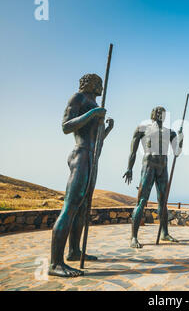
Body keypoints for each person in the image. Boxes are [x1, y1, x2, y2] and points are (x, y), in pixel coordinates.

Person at [49, 74, 114, 277]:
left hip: (93, 159)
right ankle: (55, 263)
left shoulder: (94, 104)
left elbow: (96, 138)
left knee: (83, 208)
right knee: (70, 207)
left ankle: (74, 251)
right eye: (99, 83)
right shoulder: (78, 99)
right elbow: (66, 127)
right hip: (81, 154)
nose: (102, 86)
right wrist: (93, 113)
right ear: (91, 83)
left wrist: (107, 129)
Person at [123, 106, 183, 248]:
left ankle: (164, 233)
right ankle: (133, 237)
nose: (159, 114)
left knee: (163, 202)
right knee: (142, 201)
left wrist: (180, 139)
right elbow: (133, 151)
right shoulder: (142, 129)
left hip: (163, 167)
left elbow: (177, 152)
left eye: (162, 113)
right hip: (148, 166)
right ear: (152, 114)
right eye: (157, 112)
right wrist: (129, 168)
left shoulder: (170, 132)